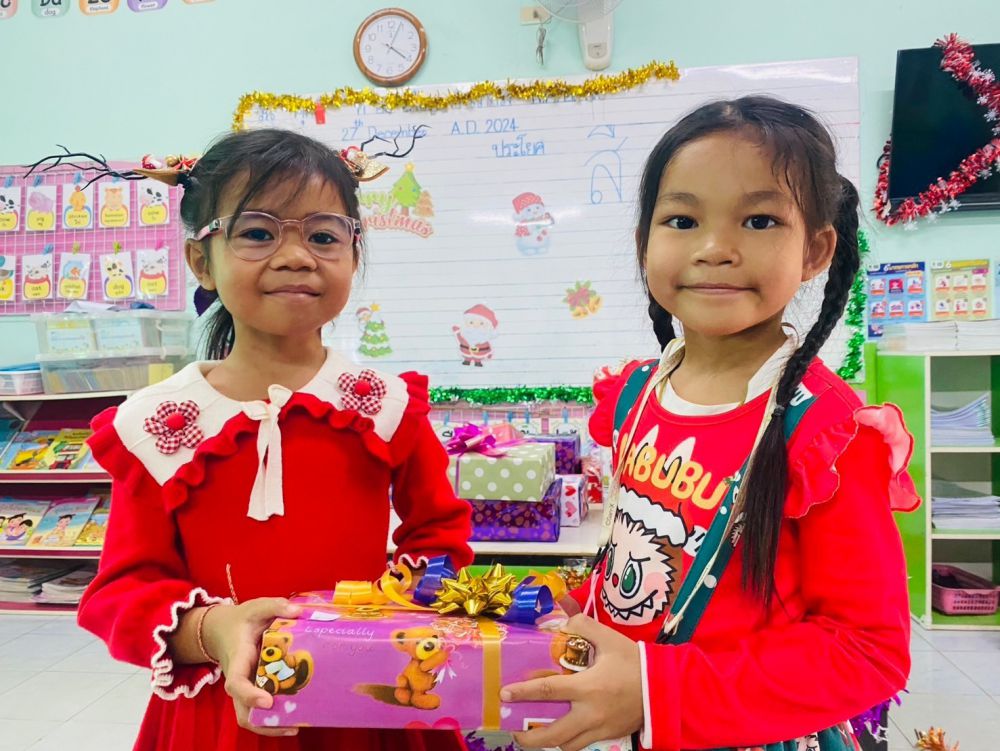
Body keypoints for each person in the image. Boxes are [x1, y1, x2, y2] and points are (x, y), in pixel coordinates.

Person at [502, 97, 919, 751]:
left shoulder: (829, 437)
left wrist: (657, 690)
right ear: (644, 243)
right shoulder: (637, 394)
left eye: (759, 220)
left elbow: (869, 650)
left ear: (815, 250)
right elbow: (649, 560)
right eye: (682, 219)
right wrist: (574, 605)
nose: (715, 248)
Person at [78, 129, 473, 751]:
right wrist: (214, 629)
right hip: (225, 712)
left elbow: (439, 532)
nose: (296, 256)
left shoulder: (384, 405)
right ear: (201, 261)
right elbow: (122, 591)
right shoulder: (158, 424)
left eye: (324, 236)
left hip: (370, 699)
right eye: (258, 233)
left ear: (353, 254)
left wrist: (399, 608)